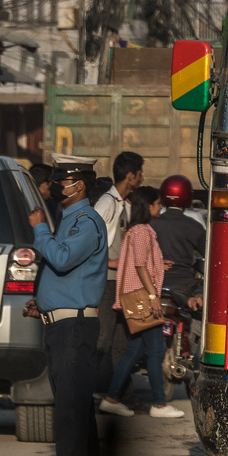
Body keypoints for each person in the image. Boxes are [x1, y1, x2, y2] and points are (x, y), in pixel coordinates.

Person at [21, 163, 108, 456]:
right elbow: (67, 274)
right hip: (62, 324)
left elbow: (61, 257)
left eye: (64, 181)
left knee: (70, 411)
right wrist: (42, 302)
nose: (57, 185)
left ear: (81, 186)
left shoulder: (87, 222)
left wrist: (40, 230)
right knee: (77, 410)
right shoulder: (72, 220)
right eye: (56, 180)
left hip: (74, 328)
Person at [100, 188, 184, 420]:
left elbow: (138, 263)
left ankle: (112, 399)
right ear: (147, 206)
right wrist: (152, 296)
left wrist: (159, 264)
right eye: (157, 204)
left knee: (133, 351)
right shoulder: (142, 231)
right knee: (156, 351)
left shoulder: (135, 231)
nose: (160, 208)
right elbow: (139, 266)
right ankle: (158, 404)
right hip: (141, 298)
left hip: (134, 296)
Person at [93, 152, 145, 380]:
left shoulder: (125, 204)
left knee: (121, 342)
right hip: (106, 282)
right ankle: (83, 386)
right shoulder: (106, 203)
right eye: (139, 173)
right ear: (130, 176)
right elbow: (89, 240)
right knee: (103, 340)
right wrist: (110, 262)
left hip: (121, 282)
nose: (142, 178)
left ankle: (120, 395)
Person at [151, 176, 206, 308]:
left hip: (153, 285)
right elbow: (211, 257)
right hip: (183, 287)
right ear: (188, 196)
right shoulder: (193, 226)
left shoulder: (150, 223)